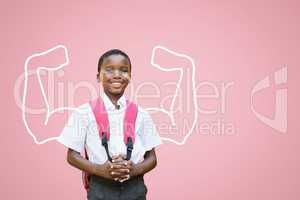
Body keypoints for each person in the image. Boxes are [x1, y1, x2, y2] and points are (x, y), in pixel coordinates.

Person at [58, 49, 162, 200]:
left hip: (135, 188)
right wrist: (100, 170)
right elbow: (72, 156)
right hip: (100, 188)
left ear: (130, 77)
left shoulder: (142, 114)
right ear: (98, 76)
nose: (117, 74)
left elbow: (152, 158)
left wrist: (133, 170)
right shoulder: (83, 112)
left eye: (124, 70)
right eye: (109, 69)